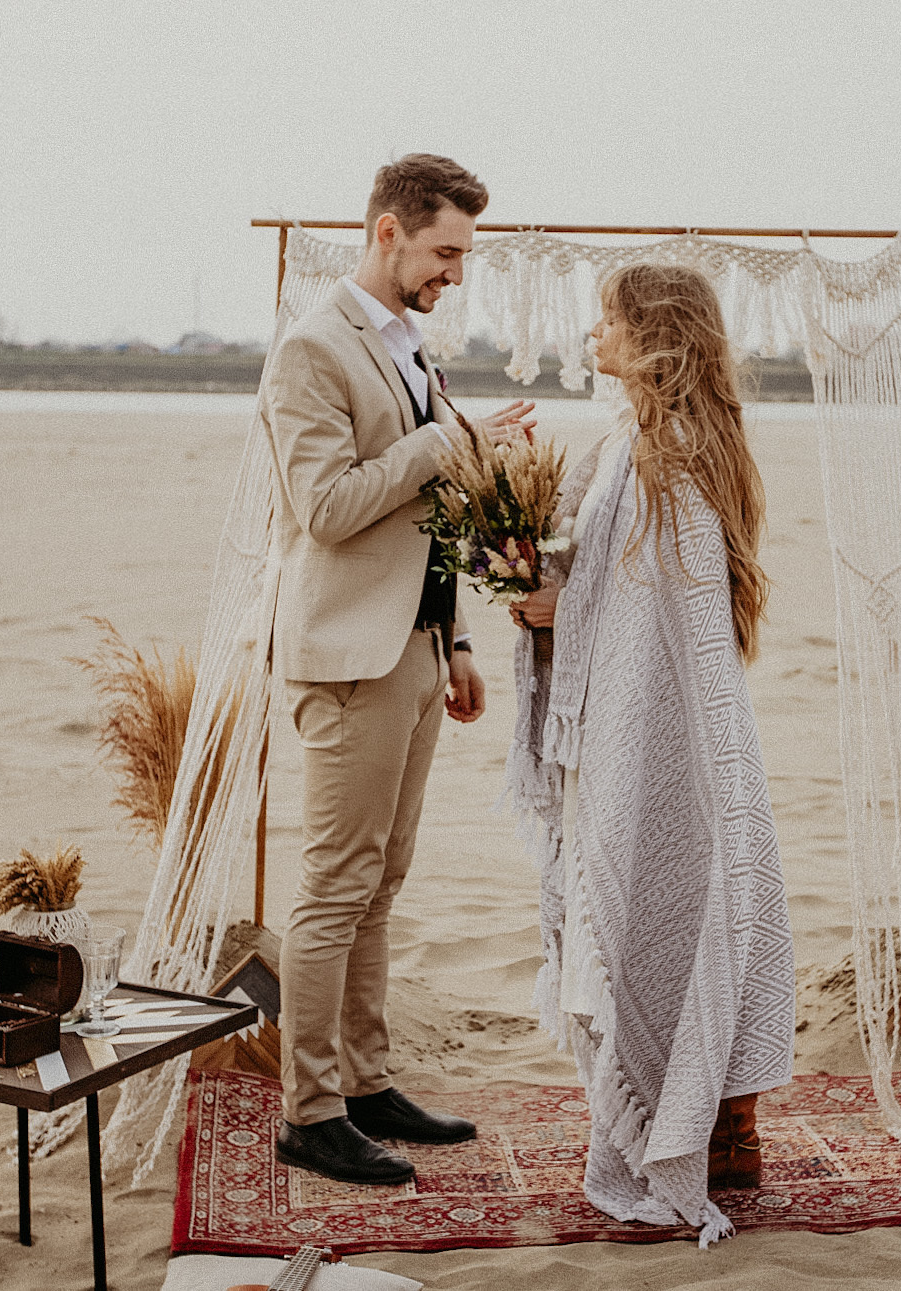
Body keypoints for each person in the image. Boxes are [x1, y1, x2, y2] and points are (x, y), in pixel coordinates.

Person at [503, 262, 797, 1245]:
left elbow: (669, 615)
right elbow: (602, 592)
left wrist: (562, 608)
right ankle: (701, 1125)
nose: (592, 336)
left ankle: (694, 1132)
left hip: (665, 737)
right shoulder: (626, 447)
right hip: (624, 733)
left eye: (607, 321)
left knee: (660, 915)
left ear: (655, 337)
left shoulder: (675, 456)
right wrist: (544, 596)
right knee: (640, 919)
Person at [261, 154, 535, 1186]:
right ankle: (310, 1111)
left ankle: (367, 1084)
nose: (455, 273)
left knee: (382, 882)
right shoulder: (310, 352)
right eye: (444, 251)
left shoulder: (405, 346)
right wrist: (443, 442)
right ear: (386, 231)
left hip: (413, 653)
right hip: (343, 657)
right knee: (334, 888)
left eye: (462, 252)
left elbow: (429, 518)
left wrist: (454, 639)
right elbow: (324, 510)